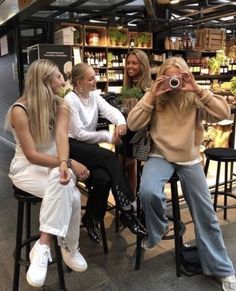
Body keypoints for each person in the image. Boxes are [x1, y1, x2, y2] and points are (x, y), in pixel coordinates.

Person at [127, 56, 236, 291]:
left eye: (178, 77)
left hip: (189, 159)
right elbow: (133, 124)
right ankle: (159, 229)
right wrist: (152, 94)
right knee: (147, 192)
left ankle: (222, 268)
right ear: (161, 78)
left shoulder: (194, 98)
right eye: (169, 78)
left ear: (185, 75)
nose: (173, 83)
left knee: (206, 213)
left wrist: (196, 88)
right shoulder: (157, 98)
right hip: (160, 156)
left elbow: (224, 113)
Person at [5, 59, 89, 288]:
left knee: (63, 184)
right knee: (70, 192)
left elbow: (62, 137)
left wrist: (64, 163)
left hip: (53, 166)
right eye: (59, 76)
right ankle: (69, 246)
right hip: (26, 169)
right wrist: (68, 164)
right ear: (45, 81)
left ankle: (42, 246)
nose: (64, 80)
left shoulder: (61, 104)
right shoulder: (19, 110)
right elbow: (32, 155)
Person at [64, 62, 147, 244]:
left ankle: (91, 219)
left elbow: (111, 111)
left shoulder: (93, 96)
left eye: (94, 77)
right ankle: (126, 209)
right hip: (73, 146)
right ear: (78, 83)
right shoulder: (70, 100)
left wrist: (121, 123)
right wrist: (108, 137)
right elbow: (78, 133)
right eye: (91, 78)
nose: (95, 81)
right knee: (110, 157)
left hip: (90, 148)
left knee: (104, 178)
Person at [119, 49, 153, 197]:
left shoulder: (148, 87)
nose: (130, 66)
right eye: (128, 63)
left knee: (120, 166)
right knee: (129, 165)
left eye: (134, 63)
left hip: (138, 134)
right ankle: (131, 198)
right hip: (126, 131)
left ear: (143, 65)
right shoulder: (129, 86)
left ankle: (128, 200)